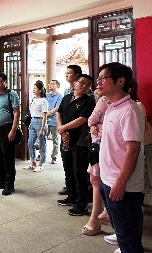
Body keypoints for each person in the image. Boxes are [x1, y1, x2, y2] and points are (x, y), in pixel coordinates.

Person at [97, 62, 150, 253]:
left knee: (129, 240)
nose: (99, 82)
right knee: (122, 235)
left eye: (103, 78)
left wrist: (120, 182)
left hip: (123, 185)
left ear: (120, 81)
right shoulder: (111, 106)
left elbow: (133, 150)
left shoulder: (129, 109)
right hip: (108, 179)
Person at [56, 74, 95, 215]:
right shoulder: (67, 98)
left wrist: (64, 128)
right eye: (82, 83)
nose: (85, 86)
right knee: (68, 170)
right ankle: (71, 197)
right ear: (75, 83)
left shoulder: (88, 102)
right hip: (66, 139)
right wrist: (61, 128)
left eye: (88, 84)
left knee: (79, 172)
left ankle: (81, 204)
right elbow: (59, 113)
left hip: (80, 141)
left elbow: (82, 119)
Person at [0, 73, 20, 196]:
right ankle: (0, 181)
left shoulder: (11, 94)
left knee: (8, 159)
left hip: (6, 129)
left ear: (5, 82)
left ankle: (9, 185)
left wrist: (13, 130)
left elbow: (16, 112)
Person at [82, 93, 110, 236]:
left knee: (96, 180)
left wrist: (95, 125)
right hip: (102, 144)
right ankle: (105, 213)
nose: (99, 85)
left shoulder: (105, 99)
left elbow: (91, 119)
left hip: (100, 145)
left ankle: (95, 219)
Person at [25, 80, 48, 172]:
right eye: (33, 88)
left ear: (40, 90)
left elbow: (45, 116)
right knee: (30, 143)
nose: (33, 90)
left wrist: (42, 129)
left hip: (40, 121)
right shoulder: (34, 99)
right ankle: (33, 162)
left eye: (35, 88)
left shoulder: (44, 101)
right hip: (33, 121)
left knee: (42, 144)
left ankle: (41, 164)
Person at [45, 79, 62, 164]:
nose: (50, 85)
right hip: (45, 120)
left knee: (55, 140)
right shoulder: (46, 95)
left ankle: (54, 156)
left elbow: (58, 107)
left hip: (54, 121)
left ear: (57, 86)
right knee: (43, 138)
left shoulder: (60, 96)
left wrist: (50, 113)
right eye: (50, 84)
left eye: (52, 84)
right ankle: (41, 154)